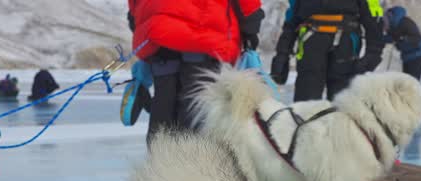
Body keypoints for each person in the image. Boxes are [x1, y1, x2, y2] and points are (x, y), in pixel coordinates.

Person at [127, 0, 265, 140]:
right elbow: (248, 5)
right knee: (197, 106)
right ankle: (194, 154)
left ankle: (159, 155)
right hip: (204, 34)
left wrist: (138, 22)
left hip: (159, 35)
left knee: (164, 104)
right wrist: (250, 28)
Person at [270, 0, 384, 101]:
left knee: (343, 103)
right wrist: (282, 53)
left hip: (345, 45)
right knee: (306, 101)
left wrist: (374, 51)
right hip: (311, 43)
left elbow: (374, 15)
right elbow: (291, 20)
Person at [382, 6, 421, 80]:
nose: (384, 28)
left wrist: (403, 39)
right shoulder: (391, 26)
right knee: (406, 81)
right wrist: (379, 39)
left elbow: (417, 38)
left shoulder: (405, 22)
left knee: (413, 81)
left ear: (387, 19)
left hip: (417, 54)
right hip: (406, 56)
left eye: (384, 25)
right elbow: (391, 38)